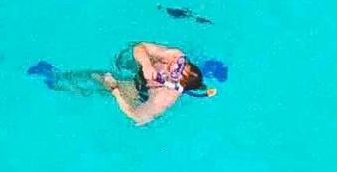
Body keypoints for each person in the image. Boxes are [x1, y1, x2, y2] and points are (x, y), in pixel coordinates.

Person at [28, 39, 221, 123]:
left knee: (99, 77)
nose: (171, 66)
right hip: (139, 70)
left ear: (174, 84)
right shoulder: (174, 56)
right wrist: (146, 64)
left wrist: (116, 92)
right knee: (125, 57)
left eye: (175, 71)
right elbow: (140, 47)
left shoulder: (164, 96)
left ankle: (56, 80)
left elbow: (138, 117)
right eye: (179, 63)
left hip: (137, 91)